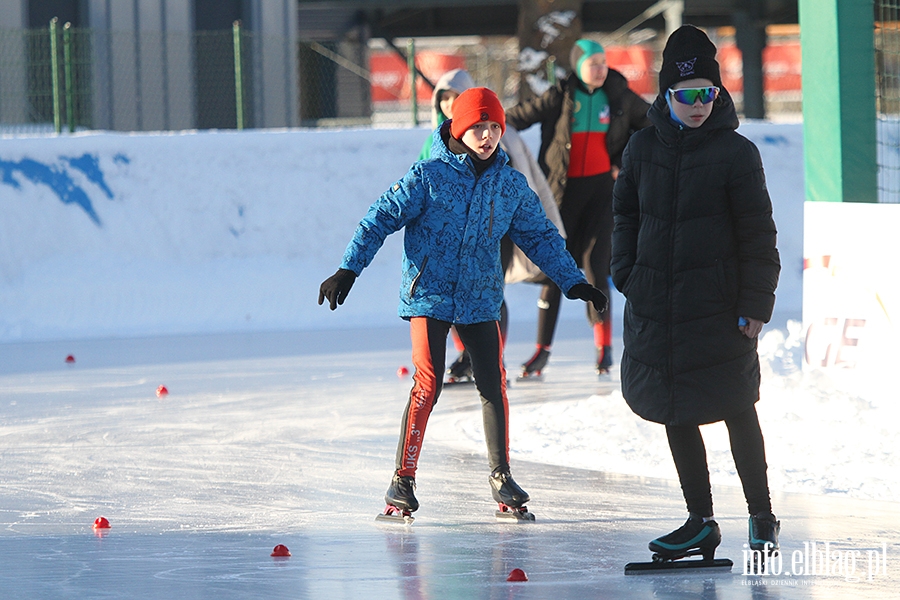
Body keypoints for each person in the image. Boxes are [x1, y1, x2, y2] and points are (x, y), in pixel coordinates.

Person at [318, 87, 608, 518]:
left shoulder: (508, 184)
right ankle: (403, 479)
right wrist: (348, 269)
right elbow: (379, 218)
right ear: (460, 128)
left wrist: (573, 280)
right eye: (478, 127)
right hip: (429, 296)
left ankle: (501, 476)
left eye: (495, 127)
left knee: (493, 383)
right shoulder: (428, 176)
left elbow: (541, 236)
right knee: (429, 382)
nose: (488, 135)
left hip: (479, 298)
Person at [610, 25, 782, 560]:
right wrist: (628, 276)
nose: (699, 104)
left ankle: (761, 515)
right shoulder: (640, 148)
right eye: (687, 94)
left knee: (736, 406)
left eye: (708, 93)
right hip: (658, 307)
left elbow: (759, 233)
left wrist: (755, 304)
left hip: (719, 308)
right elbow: (625, 218)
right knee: (675, 408)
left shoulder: (737, 154)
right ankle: (700, 520)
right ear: (666, 94)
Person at [505, 39, 651, 378]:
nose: (600, 68)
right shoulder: (559, 95)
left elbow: (651, 123)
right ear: (577, 66)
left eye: (603, 61)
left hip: (602, 194)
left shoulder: (618, 95)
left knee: (596, 267)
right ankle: (541, 351)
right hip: (563, 197)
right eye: (592, 62)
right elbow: (515, 117)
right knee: (556, 271)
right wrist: (480, 123)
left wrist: (621, 161)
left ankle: (604, 350)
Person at [420, 69, 567, 383]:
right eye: (443, 99)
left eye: (455, 97)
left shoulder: (497, 133)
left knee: (490, 292)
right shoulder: (435, 141)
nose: (449, 104)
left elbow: (518, 182)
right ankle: (471, 356)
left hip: (492, 231)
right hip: (453, 234)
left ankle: (491, 360)